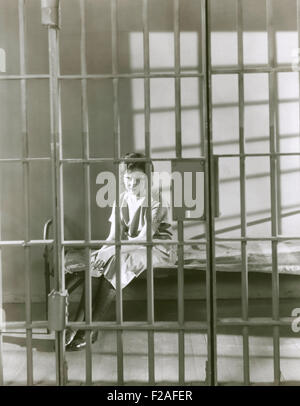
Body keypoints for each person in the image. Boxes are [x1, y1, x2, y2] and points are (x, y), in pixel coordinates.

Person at [65, 152, 176, 351]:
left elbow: (145, 239)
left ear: (148, 179)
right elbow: (113, 237)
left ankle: (89, 328)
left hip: (157, 248)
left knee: (119, 261)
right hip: (128, 246)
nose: (132, 184)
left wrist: (112, 252)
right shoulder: (122, 198)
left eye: (138, 180)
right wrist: (102, 252)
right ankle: (79, 322)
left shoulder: (157, 201)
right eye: (127, 179)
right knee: (97, 263)